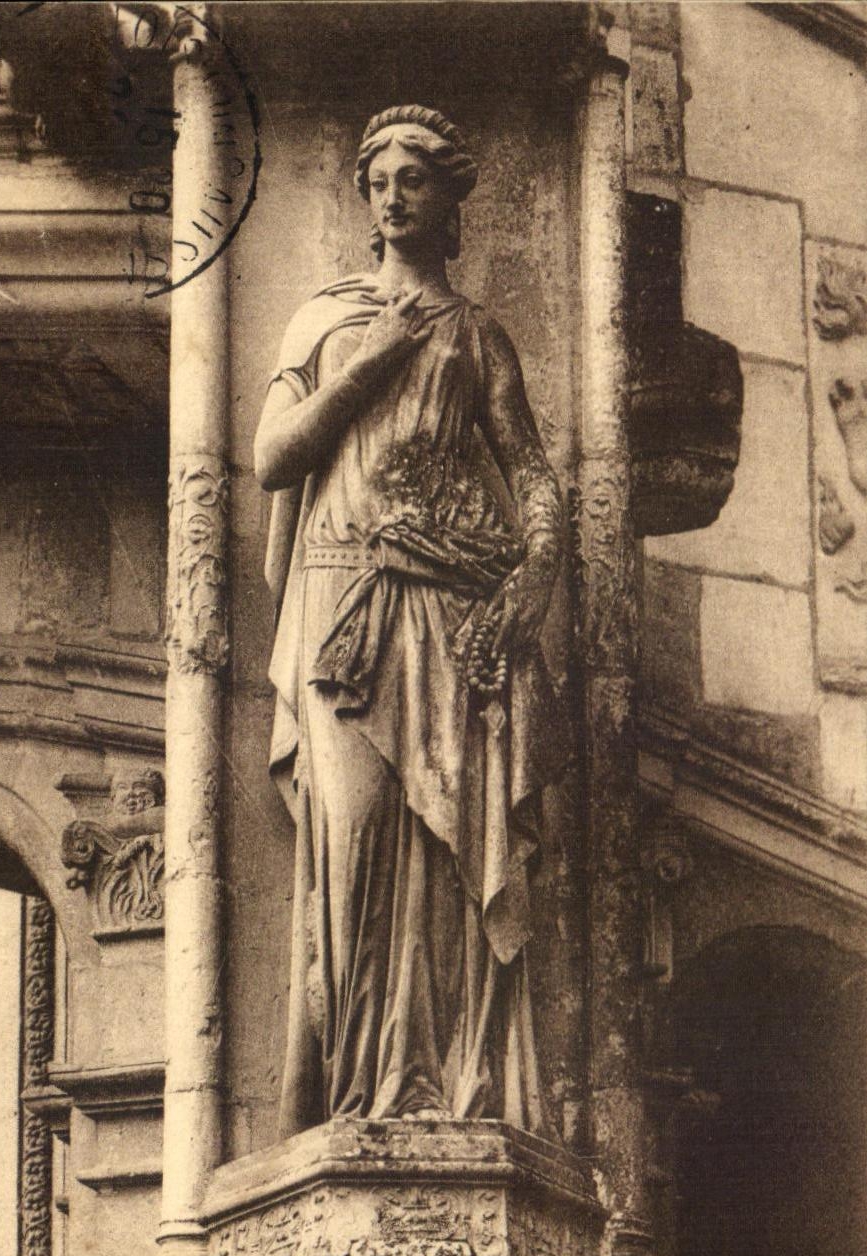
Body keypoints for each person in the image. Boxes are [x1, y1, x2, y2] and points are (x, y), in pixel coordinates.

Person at [255, 105, 569, 1135]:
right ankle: (351, 1096)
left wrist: (531, 582)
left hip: (444, 613)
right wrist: (369, 357)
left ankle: (431, 1084)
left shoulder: (477, 336)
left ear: (449, 199)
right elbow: (272, 458)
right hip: (343, 604)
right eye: (377, 181)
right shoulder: (326, 315)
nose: (391, 197)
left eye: (413, 181)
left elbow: (534, 477)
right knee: (349, 843)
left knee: (440, 853)